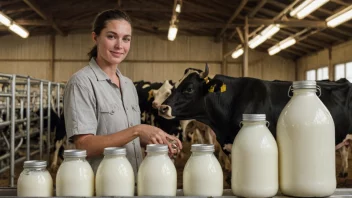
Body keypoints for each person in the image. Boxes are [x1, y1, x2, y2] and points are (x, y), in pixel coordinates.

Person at [63, 9, 182, 174]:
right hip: (103, 184)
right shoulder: (81, 83)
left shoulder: (128, 85)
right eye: (111, 36)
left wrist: (158, 140)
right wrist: (138, 130)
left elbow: (128, 139)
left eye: (126, 39)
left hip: (133, 179)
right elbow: (84, 146)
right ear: (95, 37)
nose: (119, 45)